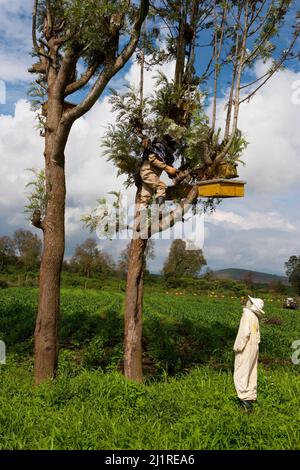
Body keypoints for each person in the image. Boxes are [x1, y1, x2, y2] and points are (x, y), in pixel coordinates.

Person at [233, 295, 265, 412]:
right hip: (254, 347)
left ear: (252, 305)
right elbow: (258, 335)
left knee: (241, 372)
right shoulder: (255, 317)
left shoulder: (247, 315)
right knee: (251, 372)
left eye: (250, 301)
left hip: (246, 347)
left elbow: (243, 333)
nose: (247, 302)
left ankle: (245, 402)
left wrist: (237, 347)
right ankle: (250, 398)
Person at [140, 134, 179, 208]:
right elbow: (152, 159)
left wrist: (175, 172)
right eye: (175, 145)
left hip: (152, 174)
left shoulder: (165, 155)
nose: (175, 148)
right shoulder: (159, 148)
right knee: (161, 186)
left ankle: (142, 215)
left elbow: (169, 169)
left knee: (146, 196)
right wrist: (167, 168)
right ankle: (160, 210)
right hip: (148, 172)